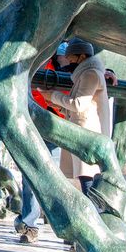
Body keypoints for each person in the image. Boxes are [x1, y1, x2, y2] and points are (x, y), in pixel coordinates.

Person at [15, 42, 69, 244]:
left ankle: (52, 223)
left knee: (50, 175)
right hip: (32, 124)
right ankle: (29, 223)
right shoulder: (36, 57)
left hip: (54, 125)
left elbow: (85, 67)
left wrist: (106, 71)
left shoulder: (63, 60)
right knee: (30, 176)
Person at [39, 38, 111, 180]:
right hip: (84, 132)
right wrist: (57, 105)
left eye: (71, 59)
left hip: (86, 135)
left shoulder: (90, 74)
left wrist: (53, 96)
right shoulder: (87, 73)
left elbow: (78, 105)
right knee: (86, 179)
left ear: (82, 57)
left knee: (87, 180)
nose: (69, 62)